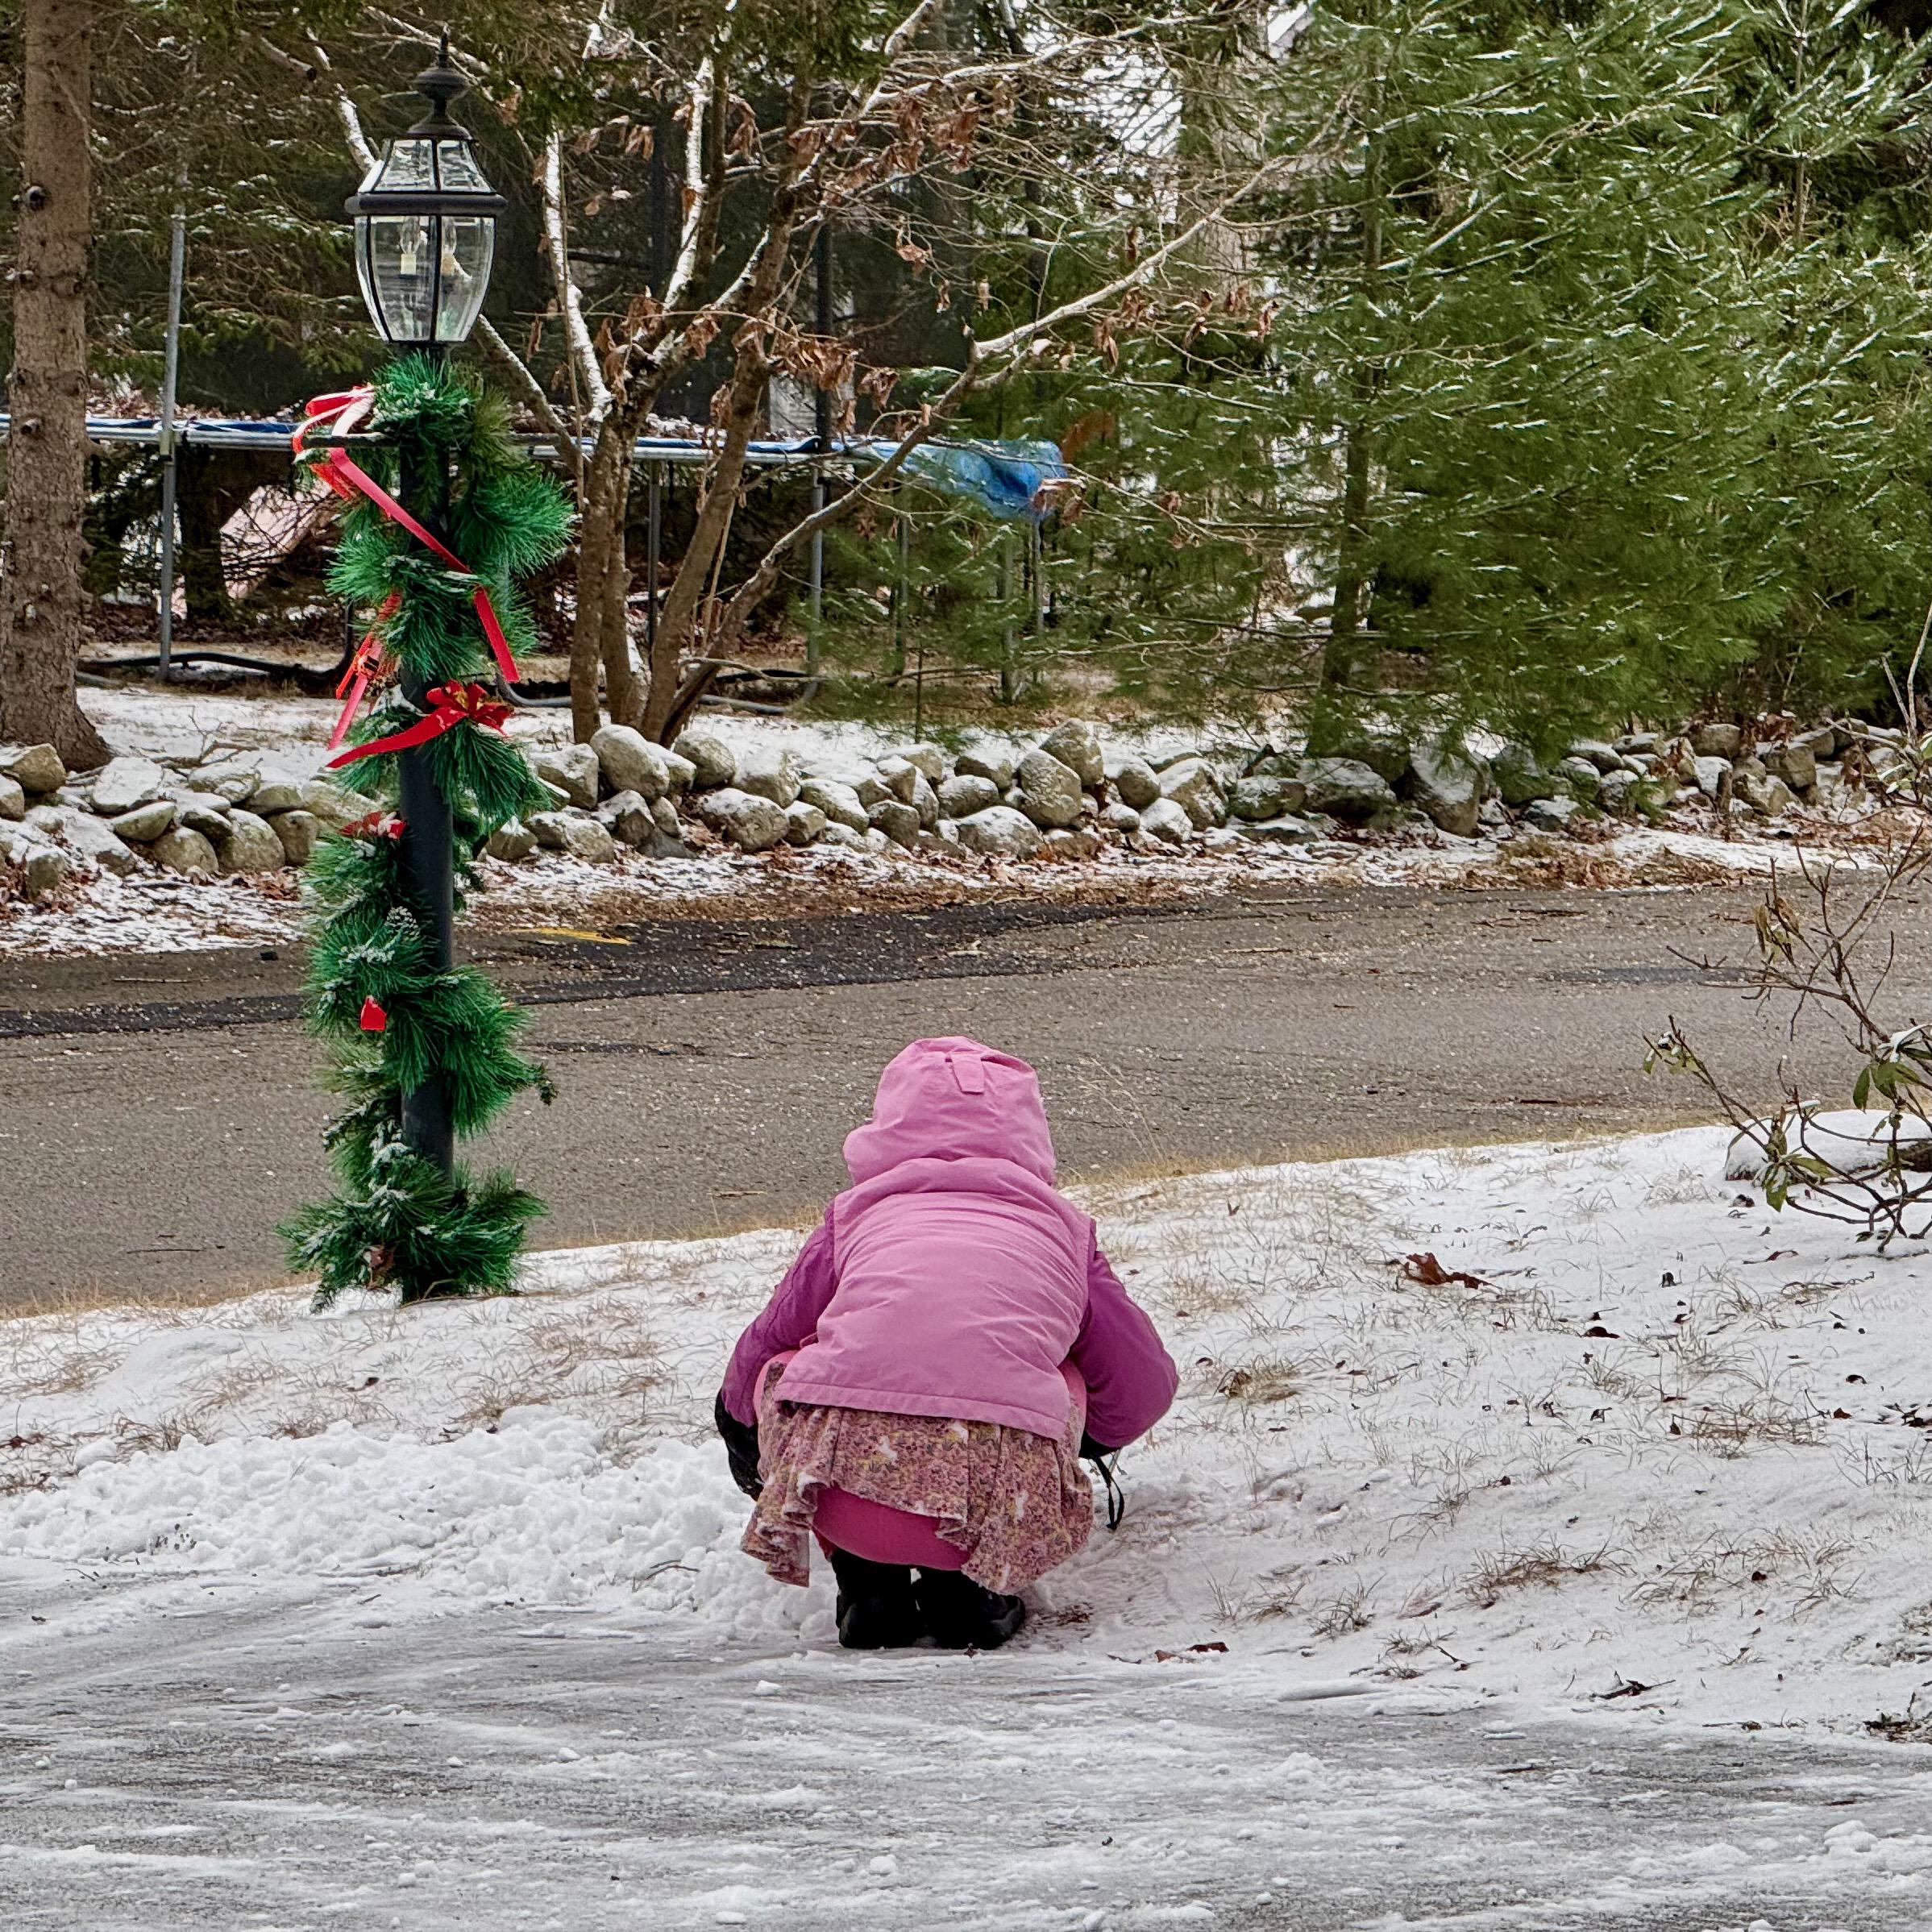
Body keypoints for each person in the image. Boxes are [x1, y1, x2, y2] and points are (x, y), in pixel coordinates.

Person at [715, 1036, 1178, 1652]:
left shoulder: (856, 1214)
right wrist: (1087, 1436)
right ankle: (968, 1589)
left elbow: (768, 1340)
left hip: (845, 1501)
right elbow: (1139, 1382)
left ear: (887, 1125)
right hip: (995, 1492)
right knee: (1056, 1371)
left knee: (788, 1366)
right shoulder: (1062, 1228)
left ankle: (868, 1585)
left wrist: (741, 1431)